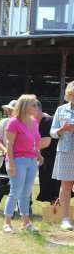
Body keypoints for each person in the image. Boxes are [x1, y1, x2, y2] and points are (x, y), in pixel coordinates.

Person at [2, 94, 42, 233]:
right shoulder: (13, 122)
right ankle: (7, 223)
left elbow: (34, 142)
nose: (36, 108)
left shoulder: (34, 122)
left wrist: (38, 155)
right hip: (17, 160)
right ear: (25, 106)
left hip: (31, 161)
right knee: (15, 192)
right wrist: (11, 164)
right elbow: (9, 144)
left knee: (26, 193)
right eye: (34, 105)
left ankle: (26, 223)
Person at [50, 81, 74, 231]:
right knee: (66, 185)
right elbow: (52, 132)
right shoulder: (61, 109)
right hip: (65, 151)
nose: (73, 98)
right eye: (71, 95)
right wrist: (62, 129)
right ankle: (65, 219)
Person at [36, 100, 60, 203]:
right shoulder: (42, 121)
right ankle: (55, 212)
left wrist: (26, 148)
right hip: (48, 158)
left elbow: (45, 142)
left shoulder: (47, 121)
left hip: (52, 159)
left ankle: (57, 213)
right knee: (52, 190)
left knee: (54, 189)